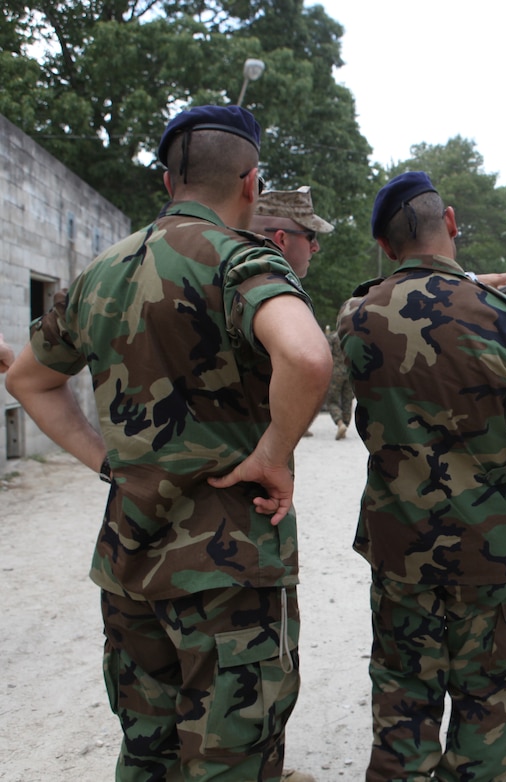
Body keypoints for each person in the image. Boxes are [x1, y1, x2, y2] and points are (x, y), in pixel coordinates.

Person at [4, 104, 331, 782]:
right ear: (251, 182)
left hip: (129, 560)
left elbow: (31, 382)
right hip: (228, 567)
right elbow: (306, 356)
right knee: (230, 760)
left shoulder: (97, 275)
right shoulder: (241, 262)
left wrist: (108, 462)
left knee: (147, 753)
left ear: (165, 181)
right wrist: (271, 453)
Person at [337, 171, 506, 782]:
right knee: (483, 701)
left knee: (402, 697)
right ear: (450, 221)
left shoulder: (355, 316)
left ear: (387, 245)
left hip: (398, 545)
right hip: (487, 547)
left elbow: (416, 307)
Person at [251, 186, 335, 438]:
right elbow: (310, 360)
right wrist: (274, 454)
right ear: (282, 239)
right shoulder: (268, 282)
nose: (316, 247)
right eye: (310, 236)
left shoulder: (218, 269)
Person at [325, 327, 353, 439]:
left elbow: (326, 353)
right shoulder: (351, 336)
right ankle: (345, 426)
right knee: (347, 402)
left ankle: (340, 424)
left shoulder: (332, 337)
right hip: (349, 372)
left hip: (335, 373)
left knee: (332, 401)